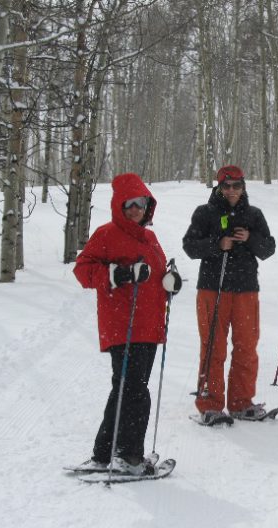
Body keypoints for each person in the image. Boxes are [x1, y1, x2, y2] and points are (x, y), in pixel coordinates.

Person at [73, 173, 181, 475]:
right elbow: (83, 270)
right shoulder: (106, 234)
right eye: (130, 203)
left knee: (123, 390)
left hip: (149, 326)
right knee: (135, 391)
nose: (136, 209)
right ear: (119, 205)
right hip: (123, 326)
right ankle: (128, 456)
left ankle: (104, 453)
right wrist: (115, 274)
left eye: (141, 203)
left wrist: (170, 283)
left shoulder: (150, 238)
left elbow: (156, 277)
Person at [183, 165, 276, 425]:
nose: (232, 190)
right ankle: (210, 403)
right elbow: (189, 246)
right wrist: (217, 244)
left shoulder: (254, 215)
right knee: (214, 345)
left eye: (237, 185)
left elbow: (268, 248)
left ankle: (241, 402)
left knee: (246, 346)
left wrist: (250, 238)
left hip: (246, 290)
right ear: (219, 187)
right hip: (213, 288)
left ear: (244, 186)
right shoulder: (205, 213)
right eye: (227, 186)